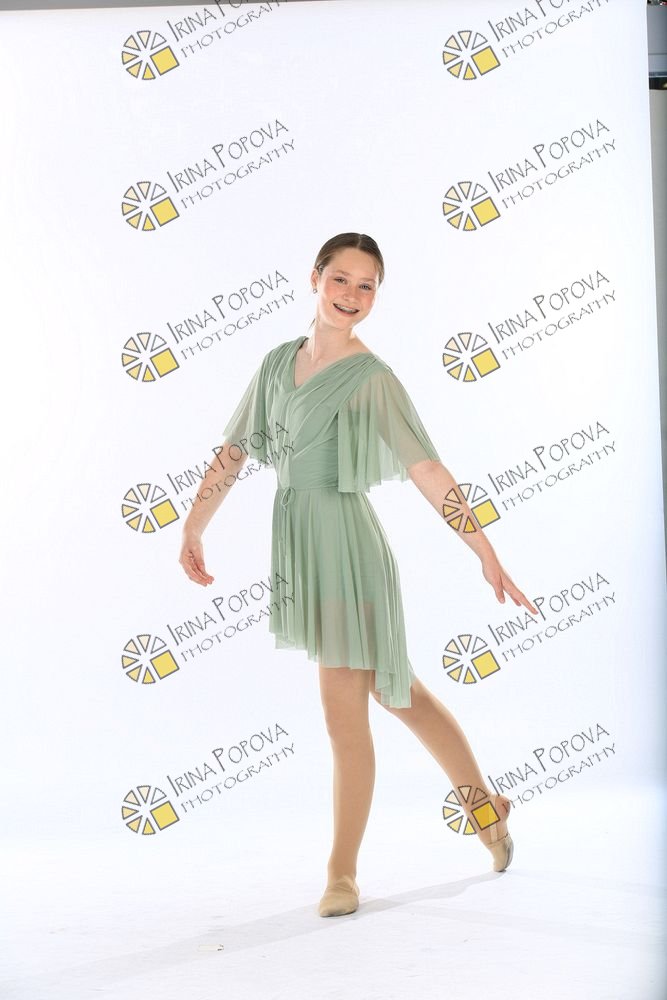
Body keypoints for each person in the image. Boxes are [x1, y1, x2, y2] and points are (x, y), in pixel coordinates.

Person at [179, 232, 538, 918]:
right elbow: (234, 449)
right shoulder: (277, 362)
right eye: (340, 279)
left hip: (348, 549)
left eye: (366, 286)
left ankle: (340, 874)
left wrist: (483, 549)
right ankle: (485, 809)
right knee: (398, 692)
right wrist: (195, 525)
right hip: (299, 543)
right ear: (314, 278)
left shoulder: (372, 377)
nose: (351, 295)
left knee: (346, 712)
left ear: (377, 295)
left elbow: (426, 467)